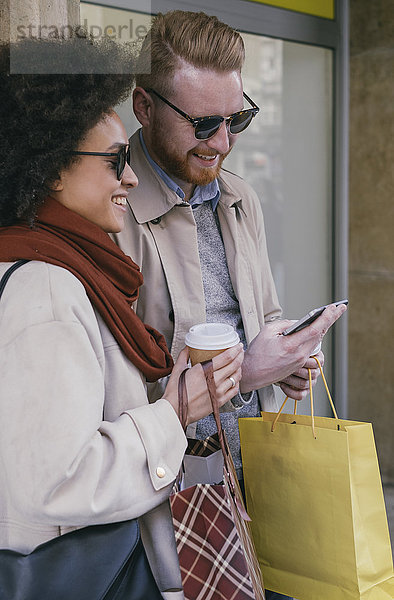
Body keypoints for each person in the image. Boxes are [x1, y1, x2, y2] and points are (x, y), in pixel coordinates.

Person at [112, 11, 346, 599]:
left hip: (251, 475)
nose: (222, 142)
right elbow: (108, 393)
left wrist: (288, 354)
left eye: (236, 118)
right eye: (204, 123)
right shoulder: (110, 209)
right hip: (165, 497)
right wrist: (251, 367)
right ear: (144, 107)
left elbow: (261, 318)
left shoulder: (240, 196)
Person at [0, 37, 244, 600]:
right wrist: (176, 411)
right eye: (115, 161)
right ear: (53, 170)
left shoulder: (49, 264)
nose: (130, 179)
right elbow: (58, 484)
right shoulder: (47, 286)